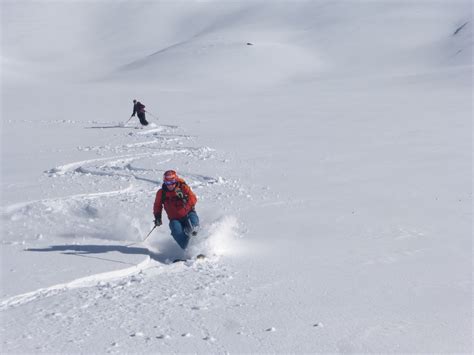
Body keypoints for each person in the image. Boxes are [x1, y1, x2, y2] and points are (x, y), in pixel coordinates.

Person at [153, 170, 199, 250]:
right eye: (167, 183)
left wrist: (185, 199)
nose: (170, 185)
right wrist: (158, 217)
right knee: (176, 230)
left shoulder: (183, 187)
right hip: (175, 219)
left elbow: (193, 198)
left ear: (176, 180)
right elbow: (157, 205)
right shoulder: (161, 193)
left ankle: (199, 245)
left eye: (172, 182)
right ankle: (188, 250)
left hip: (188, 213)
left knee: (193, 225)